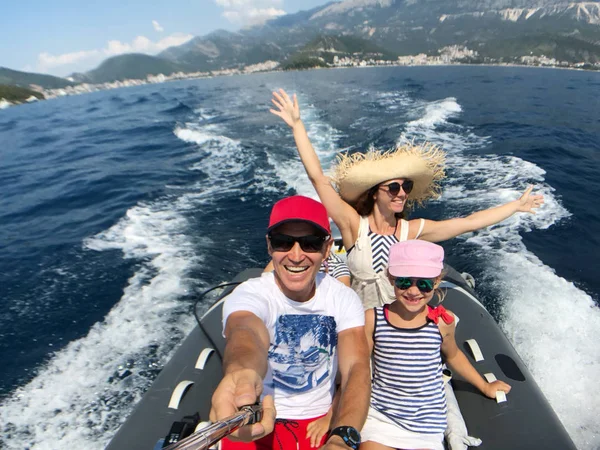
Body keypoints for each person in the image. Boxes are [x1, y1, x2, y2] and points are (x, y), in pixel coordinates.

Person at [270, 89, 545, 308]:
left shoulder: (411, 231)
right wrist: (297, 125)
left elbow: (468, 222)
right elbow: (318, 178)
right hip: (358, 324)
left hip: (397, 326)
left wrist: (516, 207)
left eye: (406, 186)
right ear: (374, 193)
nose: (401, 193)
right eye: (393, 187)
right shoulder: (354, 225)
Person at [210, 195, 371, 450]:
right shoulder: (249, 294)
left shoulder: (343, 299)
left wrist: (341, 438)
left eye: (310, 244)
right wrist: (243, 372)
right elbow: (245, 333)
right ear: (269, 246)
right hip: (254, 413)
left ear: (327, 249)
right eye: (283, 242)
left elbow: (356, 368)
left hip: (318, 424)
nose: (296, 256)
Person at [360, 240, 511, 450]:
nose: (413, 291)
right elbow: (357, 368)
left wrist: (485, 386)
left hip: (426, 422)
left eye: (423, 283)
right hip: (382, 417)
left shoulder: (441, 322)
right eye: (404, 282)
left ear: (437, 282)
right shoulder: (373, 319)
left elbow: (453, 355)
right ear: (391, 278)